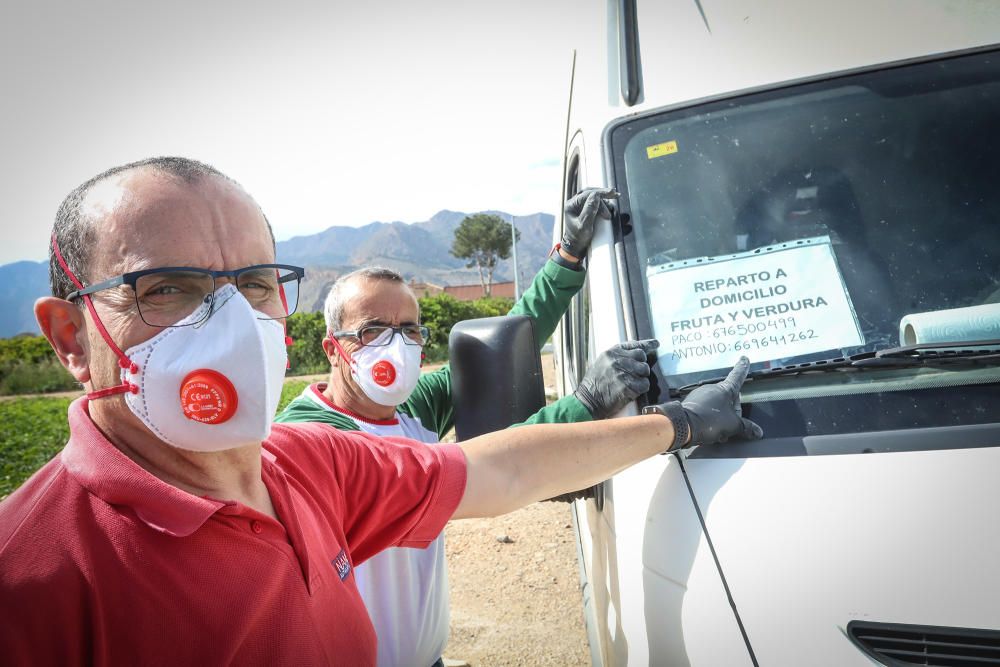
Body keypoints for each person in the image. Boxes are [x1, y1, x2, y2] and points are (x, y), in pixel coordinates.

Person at [0, 157, 762, 666]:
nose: (230, 324)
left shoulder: (303, 466)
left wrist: (681, 423)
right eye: (167, 288)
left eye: (258, 283)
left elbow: (499, 466)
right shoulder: (27, 584)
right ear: (71, 335)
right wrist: (590, 399)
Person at [274, 187, 655, 667]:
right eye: (373, 330)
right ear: (333, 349)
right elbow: (500, 460)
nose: (397, 346)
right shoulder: (311, 438)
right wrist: (586, 401)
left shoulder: (414, 406)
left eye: (410, 329)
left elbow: (498, 349)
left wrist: (566, 258)